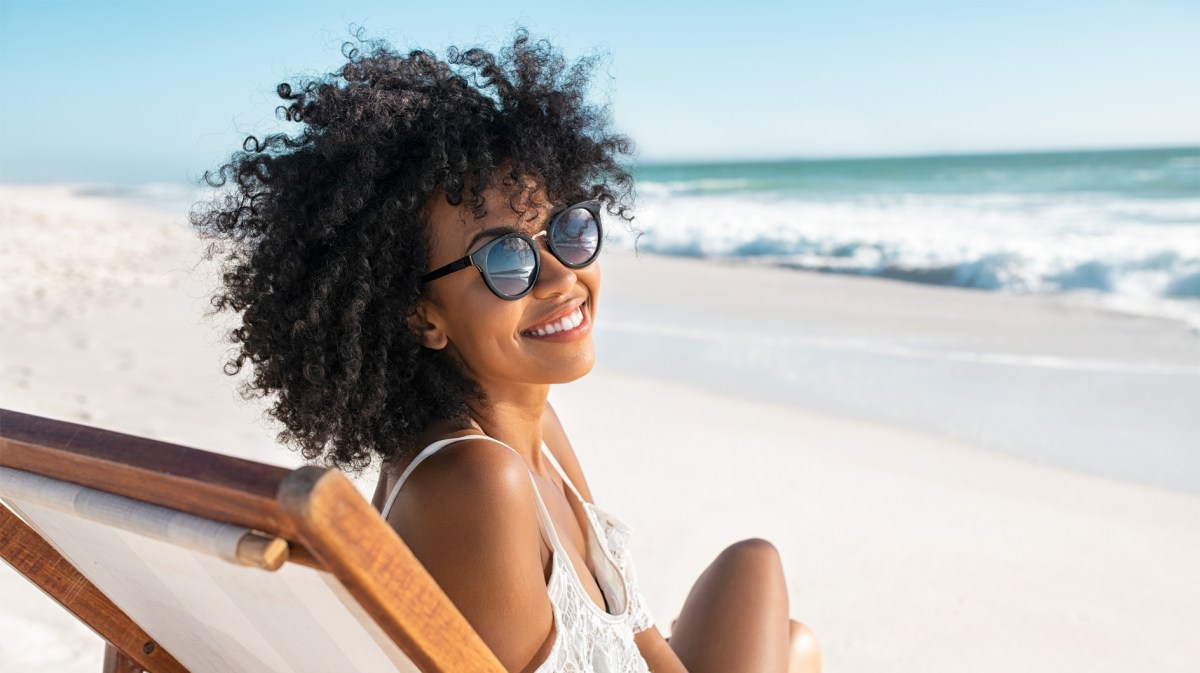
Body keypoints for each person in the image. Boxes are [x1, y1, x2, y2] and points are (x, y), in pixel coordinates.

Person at [192, 29, 821, 673]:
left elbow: (638, 636)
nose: (559, 277)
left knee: (763, 581)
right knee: (784, 628)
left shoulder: (535, 425)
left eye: (566, 231)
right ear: (421, 315)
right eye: (504, 257)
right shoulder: (475, 483)